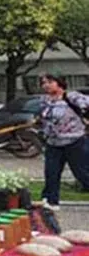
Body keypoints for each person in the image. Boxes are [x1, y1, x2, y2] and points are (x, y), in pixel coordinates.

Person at [39, 73, 89, 209]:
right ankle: (51, 201)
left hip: (75, 141)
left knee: (83, 173)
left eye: (50, 81)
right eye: (43, 83)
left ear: (59, 82)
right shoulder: (44, 100)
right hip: (53, 143)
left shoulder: (72, 97)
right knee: (51, 173)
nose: (46, 85)